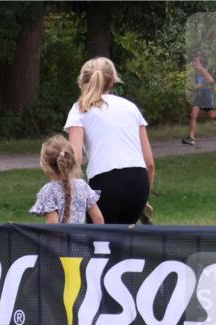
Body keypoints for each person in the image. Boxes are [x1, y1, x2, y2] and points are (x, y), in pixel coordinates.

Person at [64, 57, 155, 224]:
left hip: (105, 183)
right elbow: (149, 163)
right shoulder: (130, 107)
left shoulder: (80, 108)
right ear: (112, 81)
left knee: (99, 245)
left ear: (84, 79)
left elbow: (75, 158)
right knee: (124, 242)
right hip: (138, 182)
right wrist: (143, 197)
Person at [29, 135, 104, 225]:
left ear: (46, 166)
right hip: (81, 239)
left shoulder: (48, 191)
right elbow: (98, 219)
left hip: (60, 239)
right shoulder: (82, 186)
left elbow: (53, 224)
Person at [183, 52, 216, 146]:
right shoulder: (197, 71)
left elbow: (211, 80)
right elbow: (200, 83)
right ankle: (191, 138)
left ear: (201, 63)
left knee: (212, 116)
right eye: (194, 61)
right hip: (200, 95)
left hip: (206, 95)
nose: (194, 63)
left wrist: (199, 86)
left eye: (196, 61)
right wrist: (195, 88)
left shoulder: (202, 70)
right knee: (193, 115)